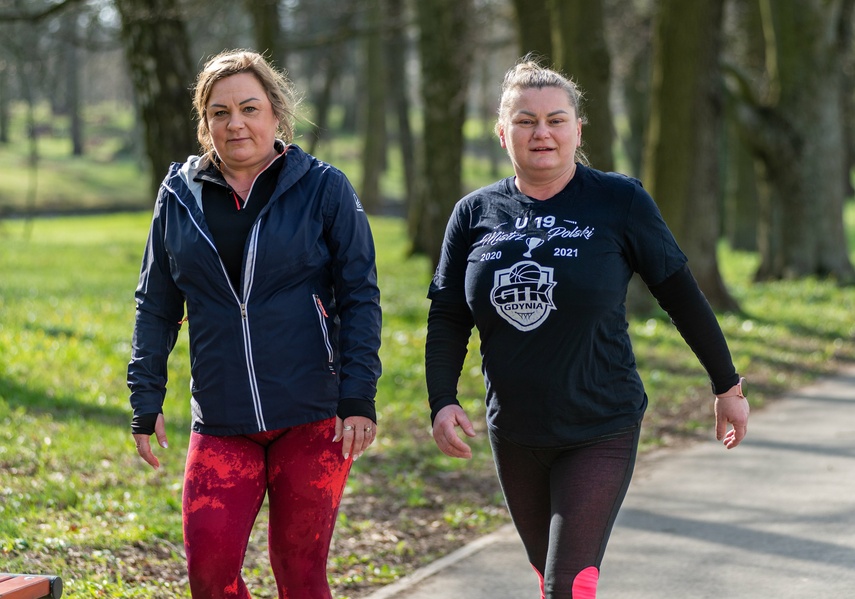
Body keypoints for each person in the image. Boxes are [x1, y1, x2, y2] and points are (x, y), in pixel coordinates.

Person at [425, 56, 749, 599]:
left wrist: (727, 385)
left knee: (567, 585)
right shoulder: (473, 213)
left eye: (556, 119)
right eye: (525, 120)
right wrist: (441, 398)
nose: (541, 132)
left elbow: (681, 295)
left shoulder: (619, 201)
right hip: (515, 428)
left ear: (578, 130)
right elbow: (449, 313)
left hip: (601, 423)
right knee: (547, 572)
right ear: (503, 133)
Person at [127, 49, 382, 599]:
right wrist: (145, 397)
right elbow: (156, 302)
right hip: (222, 419)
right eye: (220, 112)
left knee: (300, 571)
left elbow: (360, 295)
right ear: (205, 123)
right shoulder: (178, 196)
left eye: (249, 108)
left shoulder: (322, 187)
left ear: (276, 115)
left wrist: (358, 396)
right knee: (209, 576)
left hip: (313, 418)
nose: (235, 123)